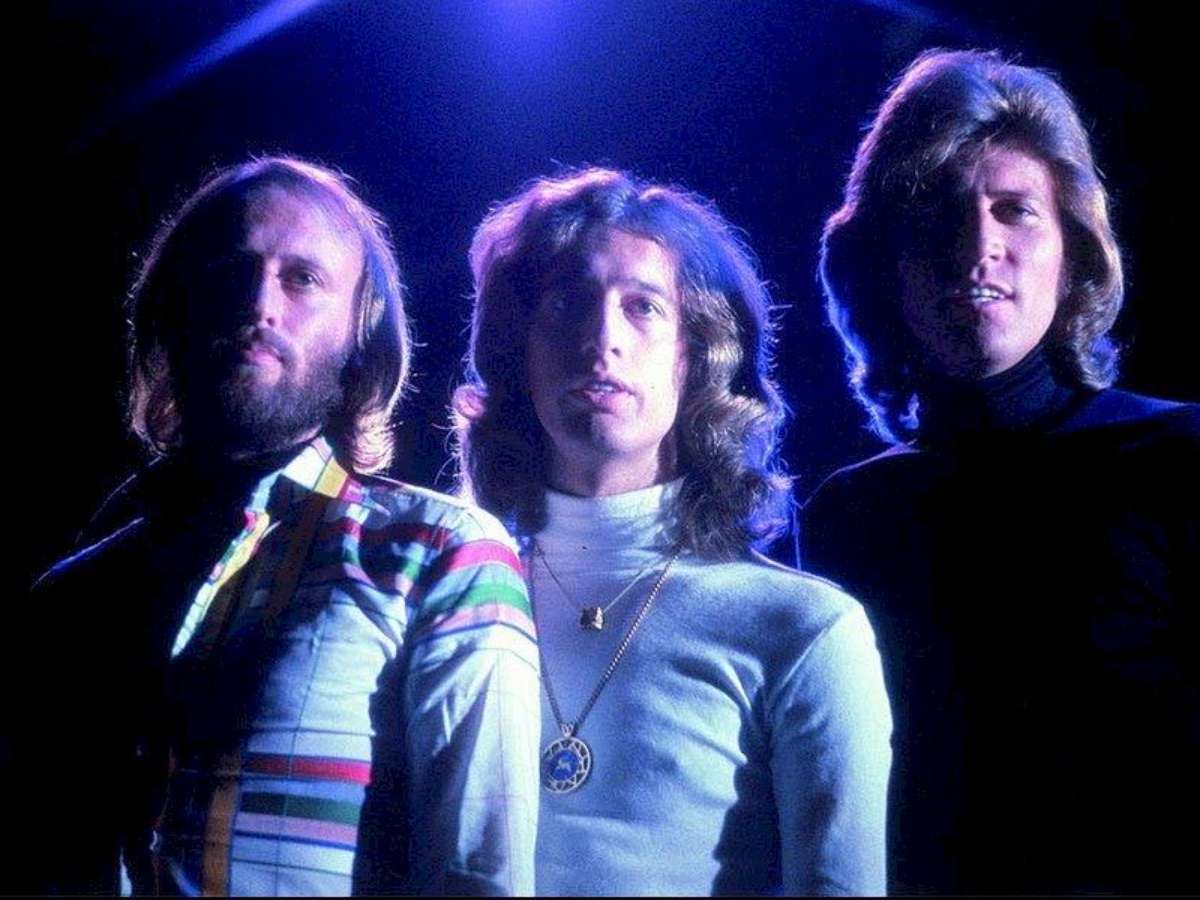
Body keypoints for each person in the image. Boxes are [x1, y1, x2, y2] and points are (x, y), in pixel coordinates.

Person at [14, 157, 539, 895]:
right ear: (174, 307)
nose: (260, 301)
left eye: (303, 278)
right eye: (232, 269)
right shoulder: (70, 596)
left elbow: (477, 877)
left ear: (361, 336)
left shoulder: (443, 552)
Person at [807, 49, 1199, 894]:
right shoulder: (851, 512)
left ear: (1074, 253)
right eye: (940, 210)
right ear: (888, 262)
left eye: (1015, 210)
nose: (979, 245)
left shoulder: (1178, 458)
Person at [454, 167, 892, 895]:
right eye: (568, 302)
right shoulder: (453, 599)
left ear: (698, 357)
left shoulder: (803, 629)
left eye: (643, 308)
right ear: (518, 350)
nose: (602, 338)